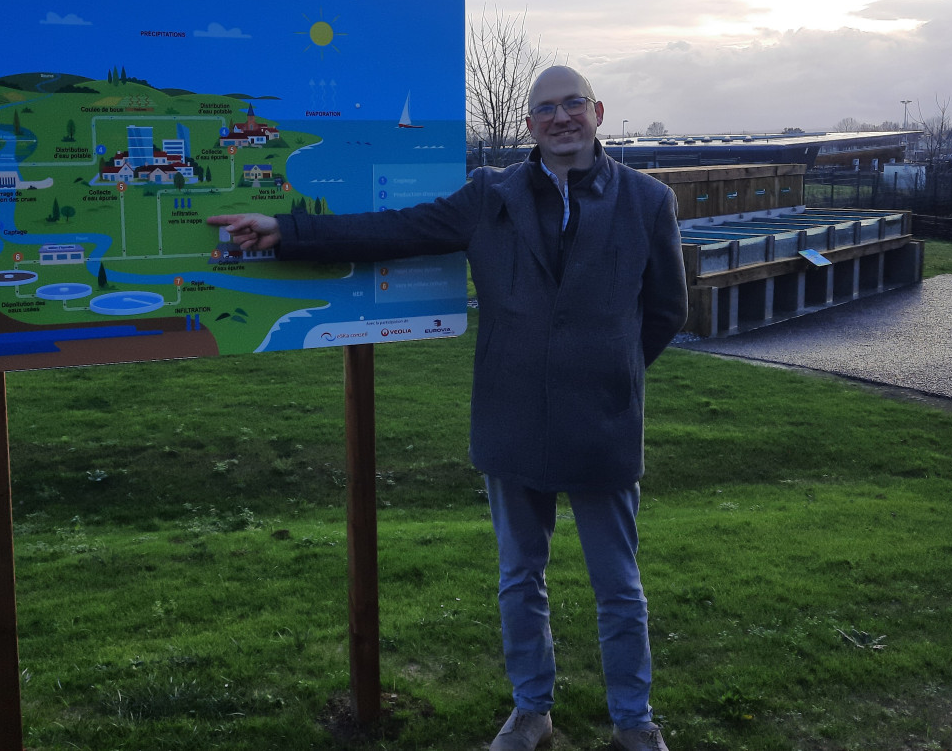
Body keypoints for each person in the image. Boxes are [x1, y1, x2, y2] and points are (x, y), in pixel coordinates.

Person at [208, 65, 687, 751]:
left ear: (598, 112)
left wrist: (613, 373)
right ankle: (531, 711)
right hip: (511, 422)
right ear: (528, 125)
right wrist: (285, 230)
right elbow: (393, 230)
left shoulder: (648, 201)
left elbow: (667, 309)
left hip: (602, 427)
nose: (561, 118)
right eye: (545, 109)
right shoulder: (490, 197)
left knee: (619, 587)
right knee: (520, 578)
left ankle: (635, 723)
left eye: (573, 104)